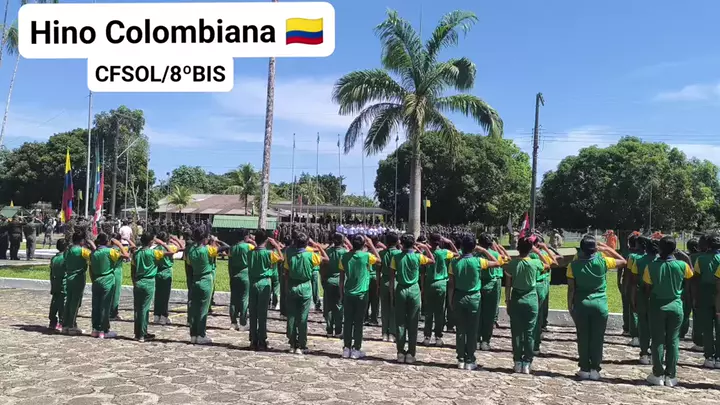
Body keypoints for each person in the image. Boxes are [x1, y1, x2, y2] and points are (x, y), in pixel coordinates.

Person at [567, 236, 626, 380]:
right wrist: (607, 249)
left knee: (583, 337)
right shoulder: (603, 261)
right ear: (595, 249)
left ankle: (584, 368)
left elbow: (571, 289)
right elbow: (623, 261)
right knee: (598, 338)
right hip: (600, 304)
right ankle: (595, 368)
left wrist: (570, 306)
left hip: (582, 303)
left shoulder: (573, 266)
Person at [643, 236, 694, 387]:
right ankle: (671, 375)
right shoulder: (682, 265)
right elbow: (690, 277)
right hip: (676, 305)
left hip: (657, 306)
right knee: (673, 341)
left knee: (657, 340)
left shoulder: (651, 266)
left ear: (659, 249)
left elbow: (647, 288)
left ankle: (657, 374)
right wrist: (686, 258)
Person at [448, 234, 501, 370]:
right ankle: (470, 358)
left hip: (459, 296)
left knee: (460, 330)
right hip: (474, 298)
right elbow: (497, 262)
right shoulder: (478, 261)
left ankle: (460, 358)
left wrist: (450, 300)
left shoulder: (454, 262)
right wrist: (483, 251)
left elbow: (451, 285)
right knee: (472, 330)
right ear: (473, 247)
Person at [505, 236, 550, 374]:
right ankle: (527, 362)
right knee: (530, 332)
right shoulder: (535, 263)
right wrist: (538, 252)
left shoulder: (512, 264)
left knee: (516, 333)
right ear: (530, 249)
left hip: (516, 298)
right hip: (531, 298)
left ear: (517, 248)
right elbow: (548, 264)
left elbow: (508, 285)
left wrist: (507, 300)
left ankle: (517, 361)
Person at [390, 233, 435, 364]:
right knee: (413, 323)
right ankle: (411, 353)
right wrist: (424, 248)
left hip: (400, 289)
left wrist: (392, 294)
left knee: (400, 323)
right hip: (414, 289)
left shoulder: (396, 257)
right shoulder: (418, 257)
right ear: (413, 244)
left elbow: (392, 278)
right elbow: (432, 260)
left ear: (402, 244)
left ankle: (400, 352)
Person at [286, 233, 327, 354]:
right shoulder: (311, 255)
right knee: (303, 317)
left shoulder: (289, 254)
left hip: (292, 286)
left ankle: (292, 343)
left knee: (291, 317)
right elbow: (326, 259)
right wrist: (318, 247)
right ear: (306, 244)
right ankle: (302, 344)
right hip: (305, 287)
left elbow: (286, 272)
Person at [340, 234, 380, 359]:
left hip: (348, 292)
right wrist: (371, 245)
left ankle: (346, 348)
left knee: (347, 321)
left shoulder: (344, 257)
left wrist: (341, 293)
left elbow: (341, 278)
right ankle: (356, 348)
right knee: (358, 322)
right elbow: (379, 260)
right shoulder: (366, 256)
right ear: (363, 245)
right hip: (362, 293)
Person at [131, 232, 177, 342]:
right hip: (148, 281)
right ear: (151, 242)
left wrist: (134, 282)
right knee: (145, 309)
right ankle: (142, 334)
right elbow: (171, 252)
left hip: (138, 282)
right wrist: (162, 243)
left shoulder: (136, 254)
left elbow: (132, 270)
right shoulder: (154, 253)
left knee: (137, 309)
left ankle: (137, 333)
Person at [187, 229, 226, 344]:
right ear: (204, 239)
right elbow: (226, 247)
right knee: (203, 309)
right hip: (206, 279)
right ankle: (201, 334)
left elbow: (189, 264)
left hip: (195, 279)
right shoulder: (208, 249)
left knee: (194, 309)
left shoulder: (191, 251)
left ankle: (193, 334)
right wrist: (217, 241)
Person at [247, 229, 284, 350]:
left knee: (253, 312)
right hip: (265, 282)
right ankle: (262, 340)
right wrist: (276, 246)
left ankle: (253, 339)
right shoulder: (269, 253)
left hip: (253, 282)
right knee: (262, 314)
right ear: (266, 240)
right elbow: (281, 258)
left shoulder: (250, 253)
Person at [90, 233, 129, 339]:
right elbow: (126, 256)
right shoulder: (110, 251)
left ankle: (95, 329)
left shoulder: (93, 253)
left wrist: (94, 280)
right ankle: (104, 330)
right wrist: (119, 244)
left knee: (96, 306)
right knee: (105, 306)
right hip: (107, 279)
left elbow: (90, 268)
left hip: (96, 280)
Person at [422, 233, 458, 347]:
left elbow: (422, 272)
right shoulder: (444, 253)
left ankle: (427, 336)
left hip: (429, 282)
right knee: (440, 312)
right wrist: (450, 242)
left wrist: (422, 287)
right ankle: (438, 336)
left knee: (428, 311)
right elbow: (457, 254)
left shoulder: (426, 253)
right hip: (441, 283)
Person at [692, 233, 720, 368]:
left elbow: (696, 279)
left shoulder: (701, 259)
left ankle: (709, 356)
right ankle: (719, 357)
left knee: (707, 328)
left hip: (704, 294)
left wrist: (695, 297)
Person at [631, 236, 659, 365]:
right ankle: (656, 353)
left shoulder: (638, 261)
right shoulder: (661, 261)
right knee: (658, 326)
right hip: (658, 296)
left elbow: (633, 282)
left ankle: (644, 352)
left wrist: (633, 298)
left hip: (642, 294)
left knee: (643, 325)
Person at [477, 234, 508, 350]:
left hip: (479, 285)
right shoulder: (495, 255)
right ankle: (486, 340)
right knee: (489, 316)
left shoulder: (476, 255)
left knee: (478, 314)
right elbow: (503, 261)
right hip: (491, 286)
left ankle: (476, 338)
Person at [529, 237, 557, 355]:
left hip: (529, 286)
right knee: (538, 315)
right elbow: (554, 262)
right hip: (540, 285)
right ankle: (535, 344)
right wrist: (544, 249)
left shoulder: (527, 256)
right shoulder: (539, 256)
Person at [322, 233, 349, 338]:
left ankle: (329, 329)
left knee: (328, 307)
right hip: (340, 281)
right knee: (339, 306)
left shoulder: (328, 251)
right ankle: (338, 330)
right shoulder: (344, 252)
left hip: (329, 280)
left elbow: (323, 267)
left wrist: (323, 279)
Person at [228, 230, 256, 331]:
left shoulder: (232, 248)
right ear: (245, 237)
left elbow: (229, 264)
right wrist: (253, 242)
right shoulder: (249, 247)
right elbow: (259, 250)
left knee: (233, 299)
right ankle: (243, 322)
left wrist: (231, 275)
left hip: (234, 274)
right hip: (245, 274)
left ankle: (233, 322)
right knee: (244, 299)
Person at [153, 232, 182, 325]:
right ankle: (163, 316)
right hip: (167, 271)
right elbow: (181, 247)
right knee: (165, 296)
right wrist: (175, 240)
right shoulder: (170, 248)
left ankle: (156, 315)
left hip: (157, 272)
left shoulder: (155, 249)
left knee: (158, 294)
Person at [379, 232, 400, 342]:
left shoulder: (382, 253)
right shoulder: (399, 253)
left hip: (384, 280)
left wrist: (378, 284)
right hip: (396, 280)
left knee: (384, 308)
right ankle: (392, 332)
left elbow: (378, 270)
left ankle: (384, 332)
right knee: (394, 308)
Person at [622, 232, 643, 346]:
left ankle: (634, 335)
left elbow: (627, 274)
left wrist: (624, 287)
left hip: (633, 286)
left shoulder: (631, 257)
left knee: (633, 310)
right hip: (647, 287)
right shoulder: (649, 256)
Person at [110, 232, 133, 321]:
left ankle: (108, 312)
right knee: (116, 294)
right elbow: (133, 247)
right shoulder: (121, 249)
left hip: (109, 272)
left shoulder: (108, 250)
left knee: (109, 293)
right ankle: (113, 313)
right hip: (117, 272)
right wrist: (126, 240)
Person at [364, 236, 384, 326]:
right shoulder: (379, 252)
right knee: (375, 300)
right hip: (375, 277)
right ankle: (374, 318)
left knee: (366, 299)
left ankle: (365, 317)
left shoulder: (365, 253)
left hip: (367, 277)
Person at [48, 239, 67, 332]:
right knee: (62, 303)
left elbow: (51, 273)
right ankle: (61, 322)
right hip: (63, 283)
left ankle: (52, 321)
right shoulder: (65, 258)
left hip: (55, 282)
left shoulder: (54, 258)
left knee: (54, 302)